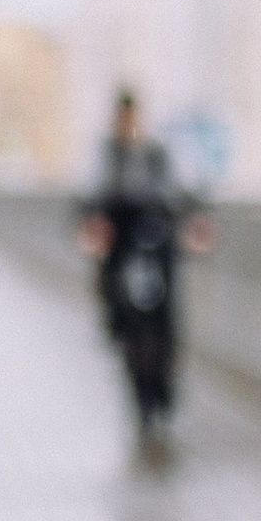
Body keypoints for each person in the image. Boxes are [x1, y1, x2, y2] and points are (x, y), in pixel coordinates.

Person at [78, 85, 206, 433]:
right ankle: (142, 398)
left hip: (156, 247)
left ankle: (163, 393)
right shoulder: (109, 154)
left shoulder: (154, 153)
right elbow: (91, 199)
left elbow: (178, 194)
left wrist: (189, 215)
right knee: (123, 319)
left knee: (165, 323)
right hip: (122, 251)